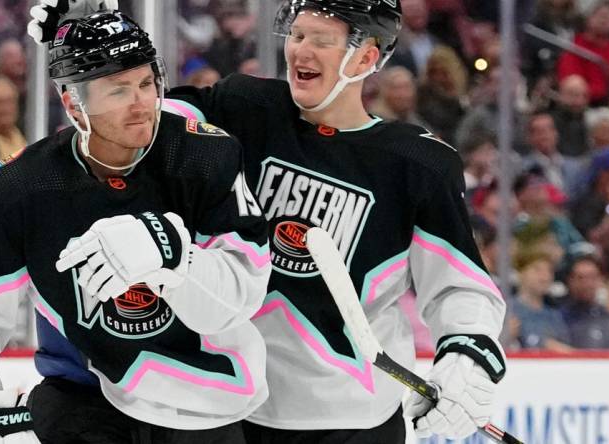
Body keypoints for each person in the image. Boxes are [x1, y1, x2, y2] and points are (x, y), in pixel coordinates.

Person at [31, 1, 507, 442]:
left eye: (322, 39)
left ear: (366, 59)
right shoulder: (244, 108)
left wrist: (467, 354)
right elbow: (139, 126)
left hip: (352, 422)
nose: (300, 49)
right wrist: (94, 54)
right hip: (229, 407)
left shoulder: (415, 163)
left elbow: (458, 285)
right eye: (296, 34)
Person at [0, 9, 270, 444]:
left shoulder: (204, 156)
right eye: (118, 90)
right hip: (83, 400)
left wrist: (176, 257)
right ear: (72, 104)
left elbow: (239, 300)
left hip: (203, 400)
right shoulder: (16, 186)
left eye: (146, 83)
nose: (141, 103)